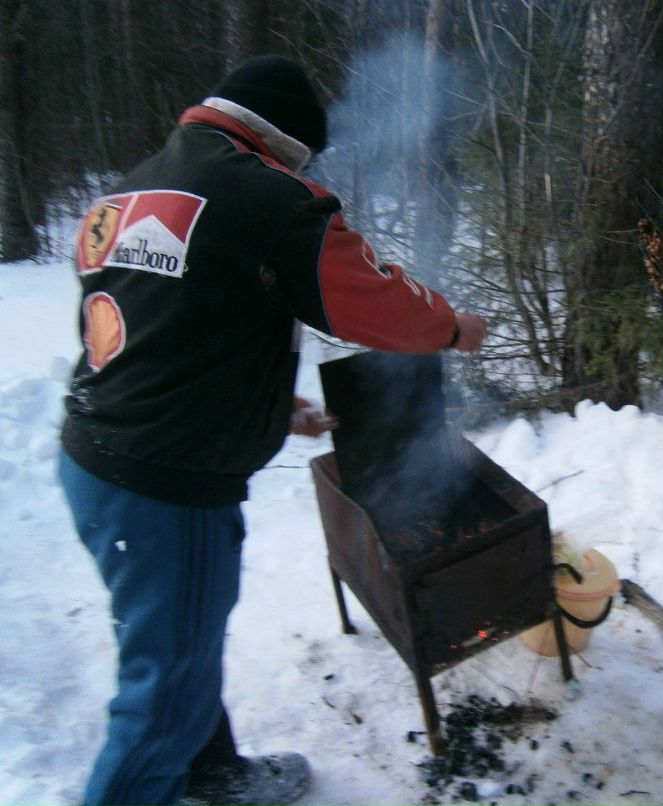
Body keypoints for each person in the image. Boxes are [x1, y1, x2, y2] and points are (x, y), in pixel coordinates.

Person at [60, 54, 487, 806]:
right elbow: (372, 301)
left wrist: (265, 406)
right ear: (288, 144)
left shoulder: (133, 188)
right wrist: (452, 327)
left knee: (174, 652)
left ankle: (210, 772)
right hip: (166, 485)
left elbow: (162, 328)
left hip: (96, 459)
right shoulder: (267, 196)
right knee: (159, 697)